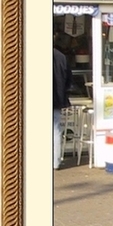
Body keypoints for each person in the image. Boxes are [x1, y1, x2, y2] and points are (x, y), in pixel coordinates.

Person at [53, 36, 72, 170]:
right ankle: (55, 162)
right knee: (55, 131)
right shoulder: (61, 57)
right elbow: (69, 81)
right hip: (57, 100)